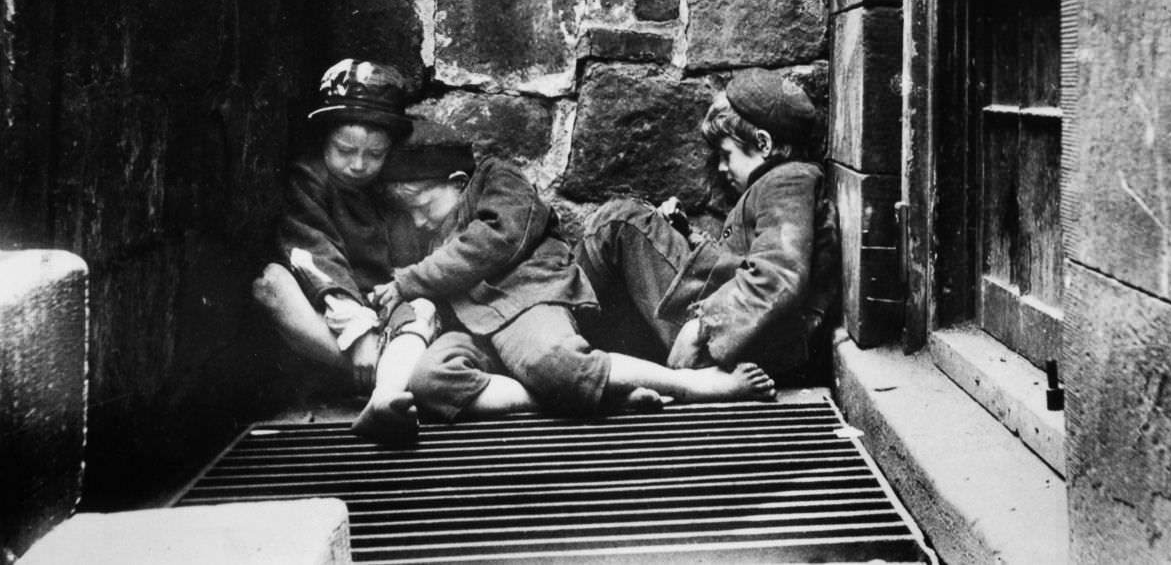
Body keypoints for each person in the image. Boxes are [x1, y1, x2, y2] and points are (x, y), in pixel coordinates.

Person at [365, 119, 777, 436]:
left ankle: (692, 385)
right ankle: (596, 398)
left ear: (457, 184)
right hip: (473, 327)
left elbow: (498, 237)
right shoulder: (424, 232)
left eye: (422, 206)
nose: (417, 222)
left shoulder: (496, 179)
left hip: (523, 299)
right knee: (430, 382)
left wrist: (411, 280)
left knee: (554, 363)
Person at [579, 68, 840, 383]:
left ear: (763, 143)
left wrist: (702, 325)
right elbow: (743, 260)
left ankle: (565, 352)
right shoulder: (778, 184)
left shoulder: (789, 181)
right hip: (738, 332)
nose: (720, 167)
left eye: (726, 154)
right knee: (624, 223)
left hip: (738, 341)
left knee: (619, 223)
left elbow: (779, 274)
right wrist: (687, 235)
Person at [251, 58, 437, 443]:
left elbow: (404, 269)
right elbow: (315, 253)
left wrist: (389, 313)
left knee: (425, 309)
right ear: (325, 141)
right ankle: (377, 375)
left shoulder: (391, 187)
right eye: (345, 150)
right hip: (328, 315)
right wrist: (358, 333)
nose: (358, 165)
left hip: (383, 312)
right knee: (269, 284)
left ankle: (385, 386)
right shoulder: (310, 178)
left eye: (374, 154)